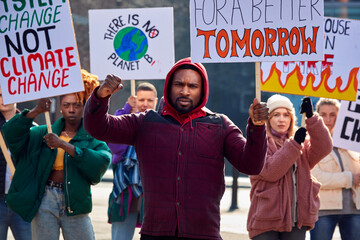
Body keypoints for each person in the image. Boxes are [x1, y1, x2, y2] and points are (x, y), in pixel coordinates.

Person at [83, 57, 269, 239]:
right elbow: (98, 127)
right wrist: (101, 96)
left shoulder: (220, 125)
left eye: (193, 86)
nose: (185, 91)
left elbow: (251, 165)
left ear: (203, 90)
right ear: (169, 87)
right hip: (156, 232)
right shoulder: (145, 122)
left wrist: (257, 127)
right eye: (179, 84)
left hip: (204, 233)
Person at [2, 70, 112, 240]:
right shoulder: (43, 132)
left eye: (77, 105)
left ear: (85, 106)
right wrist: (35, 111)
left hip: (76, 202)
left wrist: (64, 145)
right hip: (45, 199)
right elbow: (10, 135)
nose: (71, 110)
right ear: (60, 107)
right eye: (66, 105)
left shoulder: (91, 136)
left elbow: (101, 163)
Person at [247, 94, 332, 240]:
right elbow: (270, 172)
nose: (281, 119)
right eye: (276, 115)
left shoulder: (301, 142)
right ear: (268, 119)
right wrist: (294, 145)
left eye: (286, 115)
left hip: (296, 220)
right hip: (265, 220)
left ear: (291, 118)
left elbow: (325, 147)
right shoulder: (258, 141)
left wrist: (312, 118)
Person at [108, 82, 158, 240]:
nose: (145, 104)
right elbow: (114, 144)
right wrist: (126, 112)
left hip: (152, 195)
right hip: (125, 193)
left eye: (149, 100)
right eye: (141, 99)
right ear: (134, 100)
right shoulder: (126, 121)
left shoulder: (162, 125)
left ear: (156, 102)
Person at [310, 98, 360, 240]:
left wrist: (351, 150)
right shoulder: (311, 142)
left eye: (333, 115)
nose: (328, 119)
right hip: (323, 210)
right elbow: (315, 177)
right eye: (323, 115)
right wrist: (350, 178)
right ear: (317, 116)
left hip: (354, 210)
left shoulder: (351, 141)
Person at [0, 88, 32, 240]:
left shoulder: (29, 127)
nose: (3, 99)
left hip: (21, 201)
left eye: (6, 94)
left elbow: (35, 165)